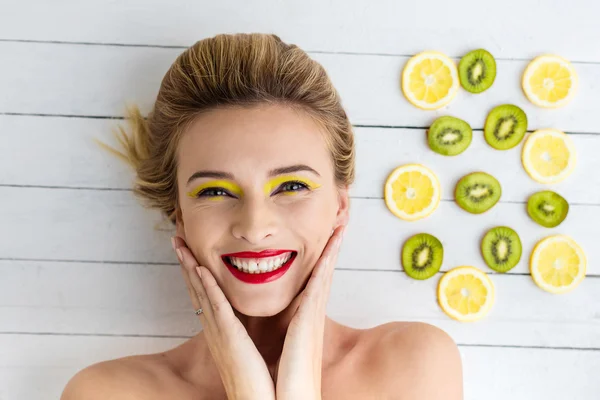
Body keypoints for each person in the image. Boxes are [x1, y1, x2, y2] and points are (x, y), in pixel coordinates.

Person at [60, 33, 462, 399]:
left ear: (340, 206)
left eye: (291, 187)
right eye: (215, 191)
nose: (254, 228)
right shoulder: (104, 392)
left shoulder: (413, 367)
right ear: (179, 214)